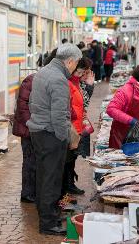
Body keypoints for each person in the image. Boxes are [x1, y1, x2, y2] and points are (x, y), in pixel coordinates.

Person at [27, 43, 82, 235]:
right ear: (69, 61)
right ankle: (48, 223)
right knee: (51, 179)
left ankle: (47, 214)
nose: (75, 68)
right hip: (50, 134)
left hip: (38, 132)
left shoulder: (43, 72)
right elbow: (60, 116)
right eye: (76, 64)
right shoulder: (59, 79)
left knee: (44, 176)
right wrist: (64, 139)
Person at [62, 57, 92, 196]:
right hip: (71, 128)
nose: (81, 75)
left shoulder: (77, 83)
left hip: (77, 126)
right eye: (80, 72)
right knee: (67, 160)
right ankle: (66, 189)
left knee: (71, 159)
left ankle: (69, 185)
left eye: (83, 72)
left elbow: (82, 103)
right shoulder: (68, 83)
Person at [12, 74, 36, 204]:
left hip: (33, 128)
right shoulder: (31, 80)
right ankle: (27, 194)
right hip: (28, 130)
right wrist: (31, 123)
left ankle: (32, 192)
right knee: (29, 161)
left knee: (33, 161)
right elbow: (22, 105)